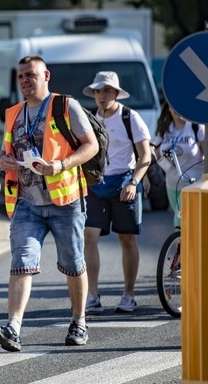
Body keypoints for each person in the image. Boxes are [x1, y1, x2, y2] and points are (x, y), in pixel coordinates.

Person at [0, 55, 98, 352]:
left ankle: (79, 320)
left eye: (31, 75)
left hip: (65, 200)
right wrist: (3, 161)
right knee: (21, 262)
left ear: (46, 75)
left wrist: (61, 165)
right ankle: (13, 328)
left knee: (73, 264)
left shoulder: (65, 106)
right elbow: (2, 154)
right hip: (26, 201)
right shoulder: (13, 113)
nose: (25, 80)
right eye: (21, 76)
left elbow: (91, 145)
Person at [81, 71, 152, 315]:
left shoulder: (130, 117)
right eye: (99, 91)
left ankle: (129, 295)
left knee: (127, 239)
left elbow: (146, 155)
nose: (102, 96)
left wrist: (133, 183)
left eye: (107, 91)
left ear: (116, 93)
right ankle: (92, 295)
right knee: (88, 237)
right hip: (97, 184)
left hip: (124, 182)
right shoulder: (90, 119)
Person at [151, 100, 205, 229]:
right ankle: (184, 249)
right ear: (168, 108)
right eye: (174, 106)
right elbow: (154, 153)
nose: (177, 110)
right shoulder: (164, 129)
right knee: (185, 223)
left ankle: (179, 246)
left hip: (192, 183)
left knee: (179, 222)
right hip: (171, 185)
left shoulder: (196, 127)